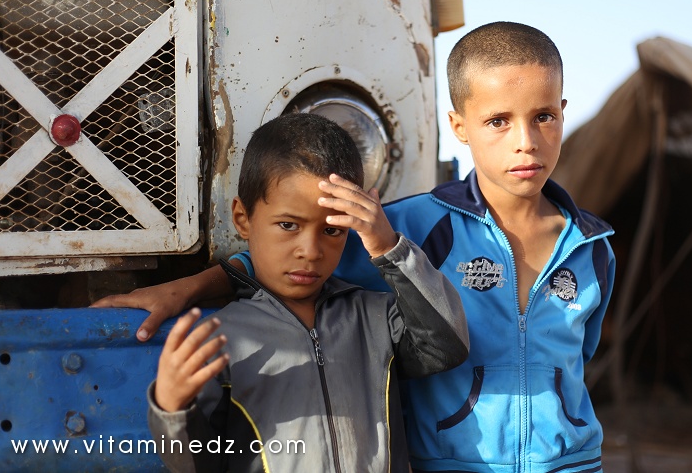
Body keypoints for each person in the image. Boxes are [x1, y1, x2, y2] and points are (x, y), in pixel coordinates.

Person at [95, 22, 616, 473]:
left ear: (563, 113)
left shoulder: (593, 248)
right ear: (458, 126)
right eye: (499, 120)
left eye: (543, 115)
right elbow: (288, 264)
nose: (525, 140)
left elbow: (578, 360)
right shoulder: (407, 226)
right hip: (452, 461)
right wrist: (189, 287)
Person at [144, 113, 469, 472]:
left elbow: (447, 345)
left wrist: (387, 246)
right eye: (288, 225)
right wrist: (172, 410)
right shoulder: (221, 339)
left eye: (332, 231)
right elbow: (196, 465)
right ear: (242, 218)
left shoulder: (375, 317)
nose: (311, 251)